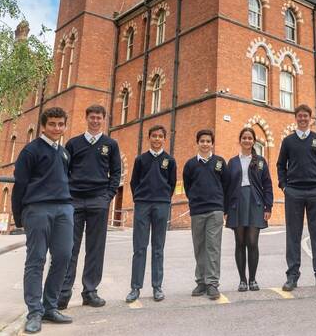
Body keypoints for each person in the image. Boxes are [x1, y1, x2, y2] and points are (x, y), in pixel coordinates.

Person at [12, 107, 74, 334]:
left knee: (64, 256)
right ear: (43, 125)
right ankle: (34, 312)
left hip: (64, 209)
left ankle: (50, 306)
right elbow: (20, 186)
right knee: (36, 259)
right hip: (37, 210)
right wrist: (19, 217)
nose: (57, 128)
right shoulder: (30, 151)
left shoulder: (65, 153)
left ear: (65, 125)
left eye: (61, 124)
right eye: (52, 124)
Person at [59, 104, 121, 309]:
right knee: (70, 248)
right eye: (92, 117)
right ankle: (63, 292)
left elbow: (116, 173)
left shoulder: (110, 145)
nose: (95, 121)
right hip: (74, 201)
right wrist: (68, 196)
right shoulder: (73, 143)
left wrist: (107, 197)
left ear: (104, 119)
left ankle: (90, 291)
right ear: (86, 118)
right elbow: (64, 172)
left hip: (98, 202)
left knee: (95, 249)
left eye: (99, 118)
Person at [277, 104, 316, 291]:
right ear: (296, 118)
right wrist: (284, 186)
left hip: (315, 192)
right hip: (293, 191)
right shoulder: (288, 141)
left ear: (311, 118)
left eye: (306, 116)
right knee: (293, 234)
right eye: (300, 116)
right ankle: (292, 276)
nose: (303, 119)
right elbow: (280, 166)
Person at [125, 125, 177, 303]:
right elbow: (134, 182)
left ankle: (157, 287)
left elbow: (171, 183)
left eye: (160, 136)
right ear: (149, 138)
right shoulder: (141, 159)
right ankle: (135, 288)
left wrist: (163, 198)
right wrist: (141, 198)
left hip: (161, 205)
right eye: (153, 136)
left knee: (158, 248)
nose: (156, 139)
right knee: (139, 248)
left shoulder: (169, 161)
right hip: (142, 205)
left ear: (164, 139)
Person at [224, 127, 274, 291]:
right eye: (244, 138)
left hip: (255, 203)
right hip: (237, 203)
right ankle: (242, 280)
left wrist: (268, 206)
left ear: (253, 141)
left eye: (249, 138)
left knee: (252, 242)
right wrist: (225, 209)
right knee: (240, 242)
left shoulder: (259, 161)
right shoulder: (232, 162)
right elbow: (227, 186)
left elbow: (267, 184)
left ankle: (253, 279)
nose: (247, 140)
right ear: (240, 140)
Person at [183, 129, 229, 300]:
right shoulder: (190, 165)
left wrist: (224, 209)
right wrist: (195, 200)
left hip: (215, 210)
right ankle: (201, 282)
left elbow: (226, 185)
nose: (205, 143)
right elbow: (188, 187)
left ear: (212, 143)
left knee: (213, 248)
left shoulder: (219, 162)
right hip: (197, 211)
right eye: (202, 140)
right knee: (199, 247)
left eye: (208, 141)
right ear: (198, 143)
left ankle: (212, 284)